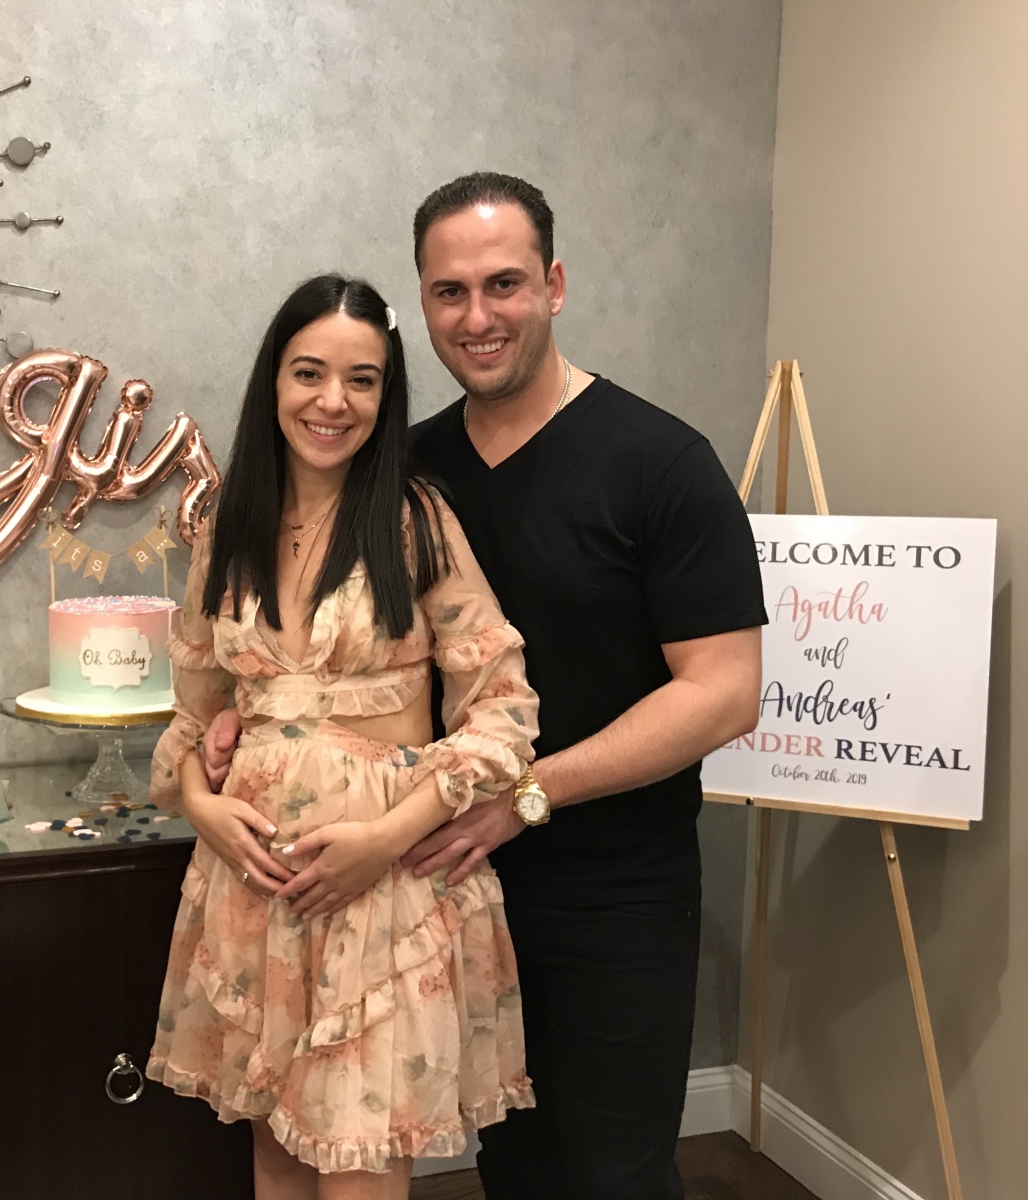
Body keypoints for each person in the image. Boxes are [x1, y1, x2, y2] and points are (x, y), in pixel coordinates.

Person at [203, 174, 766, 1199]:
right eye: (449, 292)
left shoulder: (660, 464)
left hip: (609, 887)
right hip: (438, 879)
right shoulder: (401, 474)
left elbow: (723, 693)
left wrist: (525, 796)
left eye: (503, 283)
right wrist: (250, 724)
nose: (477, 316)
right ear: (422, 304)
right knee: (516, 1166)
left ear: (554, 284)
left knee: (612, 1173)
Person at [146, 274, 542, 1199]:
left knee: (362, 1160)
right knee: (276, 1152)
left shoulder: (414, 521)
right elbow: (195, 712)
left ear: (385, 396)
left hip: (384, 893)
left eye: (362, 380)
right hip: (254, 886)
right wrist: (202, 807)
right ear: (273, 381)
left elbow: (504, 707)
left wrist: (388, 838)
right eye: (310, 373)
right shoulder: (228, 526)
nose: (333, 401)